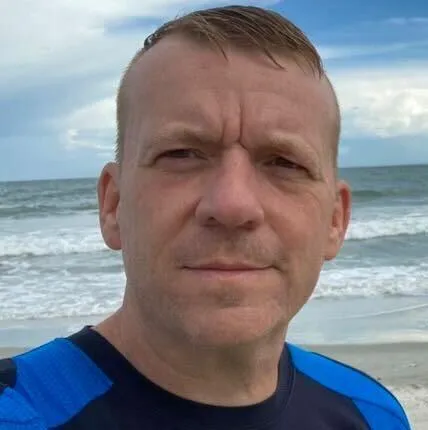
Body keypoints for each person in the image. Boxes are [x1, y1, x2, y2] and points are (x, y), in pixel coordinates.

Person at [0, 5, 411, 430]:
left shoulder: (372, 414)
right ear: (113, 205)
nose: (232, 205)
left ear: (335, 220)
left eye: (284, 163)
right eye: (181, 154)